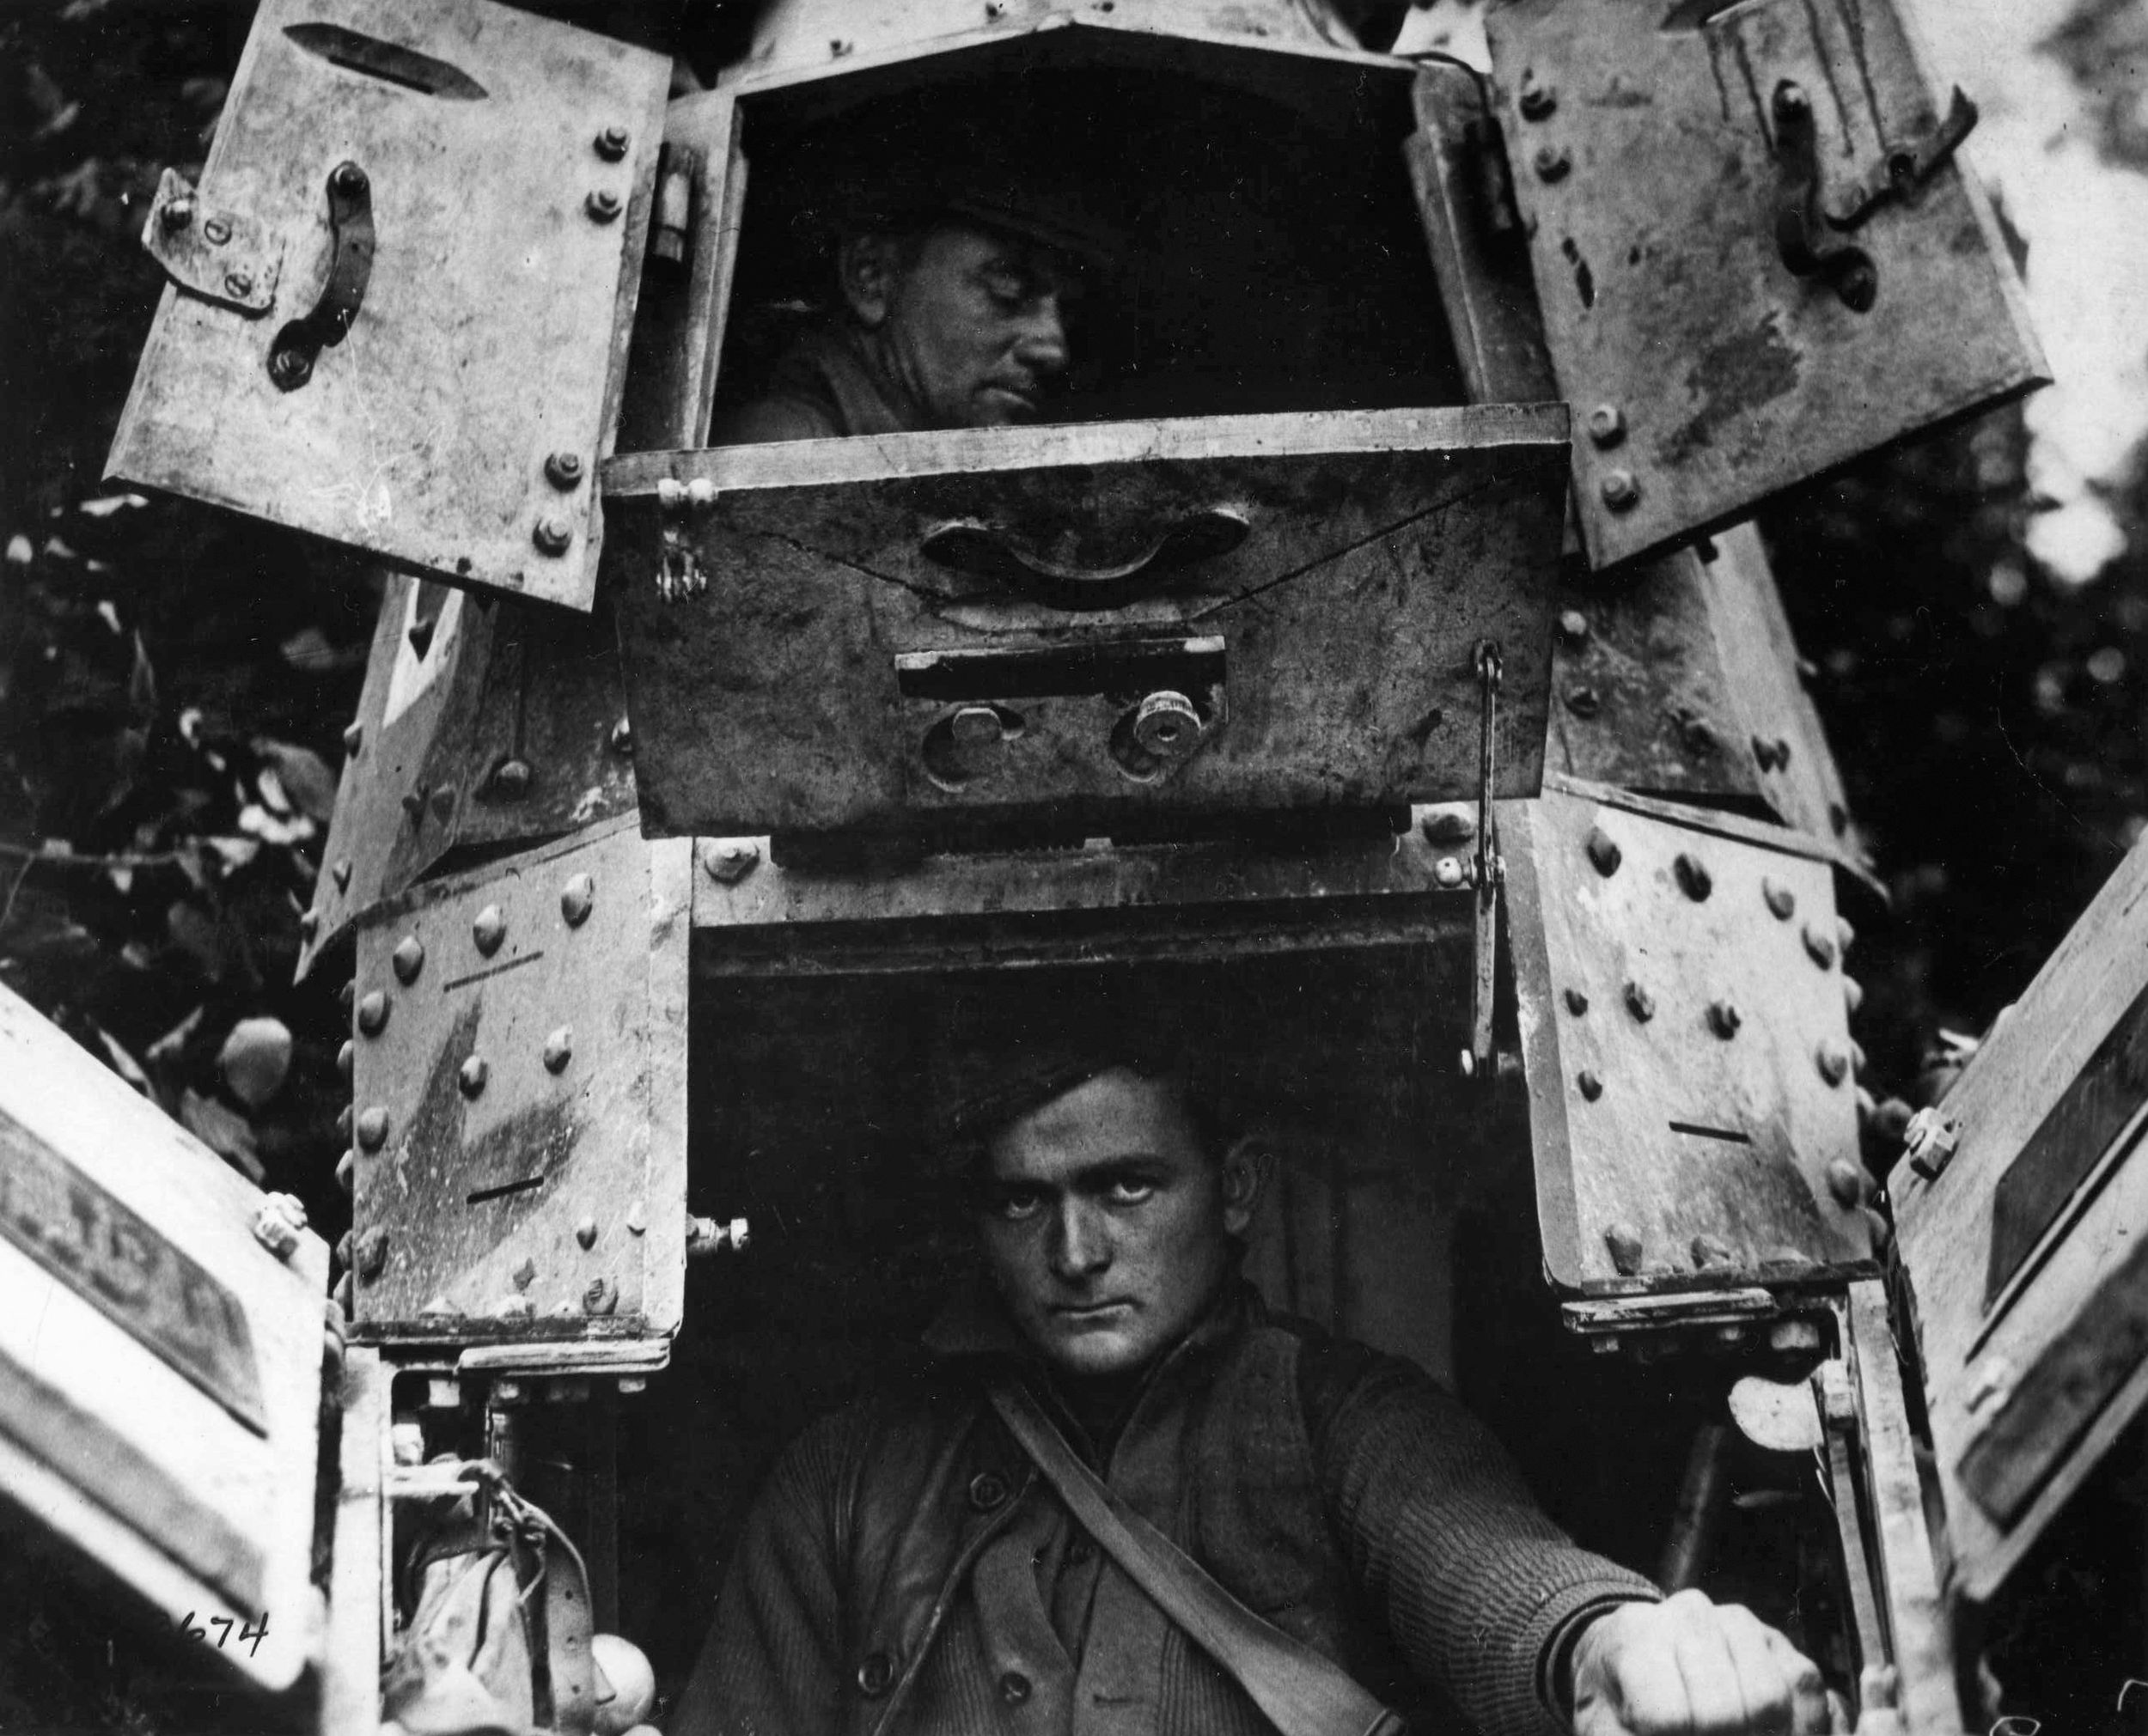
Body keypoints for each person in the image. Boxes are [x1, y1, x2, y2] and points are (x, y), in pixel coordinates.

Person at [669, 1009, 1836, 1736]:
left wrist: (1620, 1644)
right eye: (1022, 1200)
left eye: (1127, 1187)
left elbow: (1498, 1573)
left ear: (1232, 1191)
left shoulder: (1340, 1417)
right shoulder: (848, 1478)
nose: (1073, 1254)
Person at [711, 108, 1112, 444]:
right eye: (1009, 288)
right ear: (870, 277)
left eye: (1068, 313)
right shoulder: (786, 446)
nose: (1055, 351)